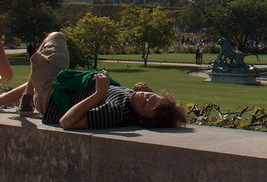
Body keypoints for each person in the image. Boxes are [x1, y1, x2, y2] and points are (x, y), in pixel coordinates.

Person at [0, 32, 186, 129]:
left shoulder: (115, 113)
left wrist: (99, 93)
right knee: (44, 73)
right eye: (150, 95)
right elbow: (143, 102)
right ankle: (23, 99)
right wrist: (144, 93)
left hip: (51, 99)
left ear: (141, 119)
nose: (143, 95)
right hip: (60, 87)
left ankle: (28, 98)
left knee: (55, 37)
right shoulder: (133, 102)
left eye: (145, 102)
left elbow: (67, 122)